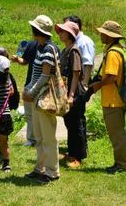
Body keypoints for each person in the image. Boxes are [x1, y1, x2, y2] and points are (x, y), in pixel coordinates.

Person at [86, 20, 126, 174]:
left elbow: (111, 77)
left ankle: (123, 164)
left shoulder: (113, 53)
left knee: (117, 134)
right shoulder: (117, 49)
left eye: (103, 33)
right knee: (117, 132)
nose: (100, 35)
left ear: (109, 35)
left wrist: (96, 86)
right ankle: (121, 162)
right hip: (115, 99)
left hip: (113, 100)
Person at [22, 15, 61, 184]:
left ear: (36, 30)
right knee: (39, 135)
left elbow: (45, 75)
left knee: (48, 137)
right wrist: (28, 90)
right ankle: (41, 168)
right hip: (38, 97)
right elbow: (36, 73)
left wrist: (31, 91)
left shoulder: (48, 49)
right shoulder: (40, 47)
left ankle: (52, 171)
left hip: (45, 96)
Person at [55, 20, 87, 169]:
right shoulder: (65, 49)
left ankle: (78, 157)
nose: (60, 33)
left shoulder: (74, 50)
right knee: (69, 123)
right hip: (67, 91)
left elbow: (76, 74)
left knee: (76, 124)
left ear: (69, 34)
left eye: (63, 31)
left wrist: (71, 95)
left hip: (74, 92)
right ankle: (72, 152)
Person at [11, 40, 38, 146]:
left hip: (34, 83)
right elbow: (25, 61)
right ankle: (34, 139)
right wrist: (18, 59)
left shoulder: (33, 44)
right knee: (32, 113)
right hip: (39, 83)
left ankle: (33, 139)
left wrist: (18, 59)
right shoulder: (53, 46)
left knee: (32, 114)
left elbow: (24, 61)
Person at [63, 15, 95, 85]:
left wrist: (85, 84)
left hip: (81, 82)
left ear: (76, 26)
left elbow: (88, 64)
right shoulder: (73, 41)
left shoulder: (85, 42)